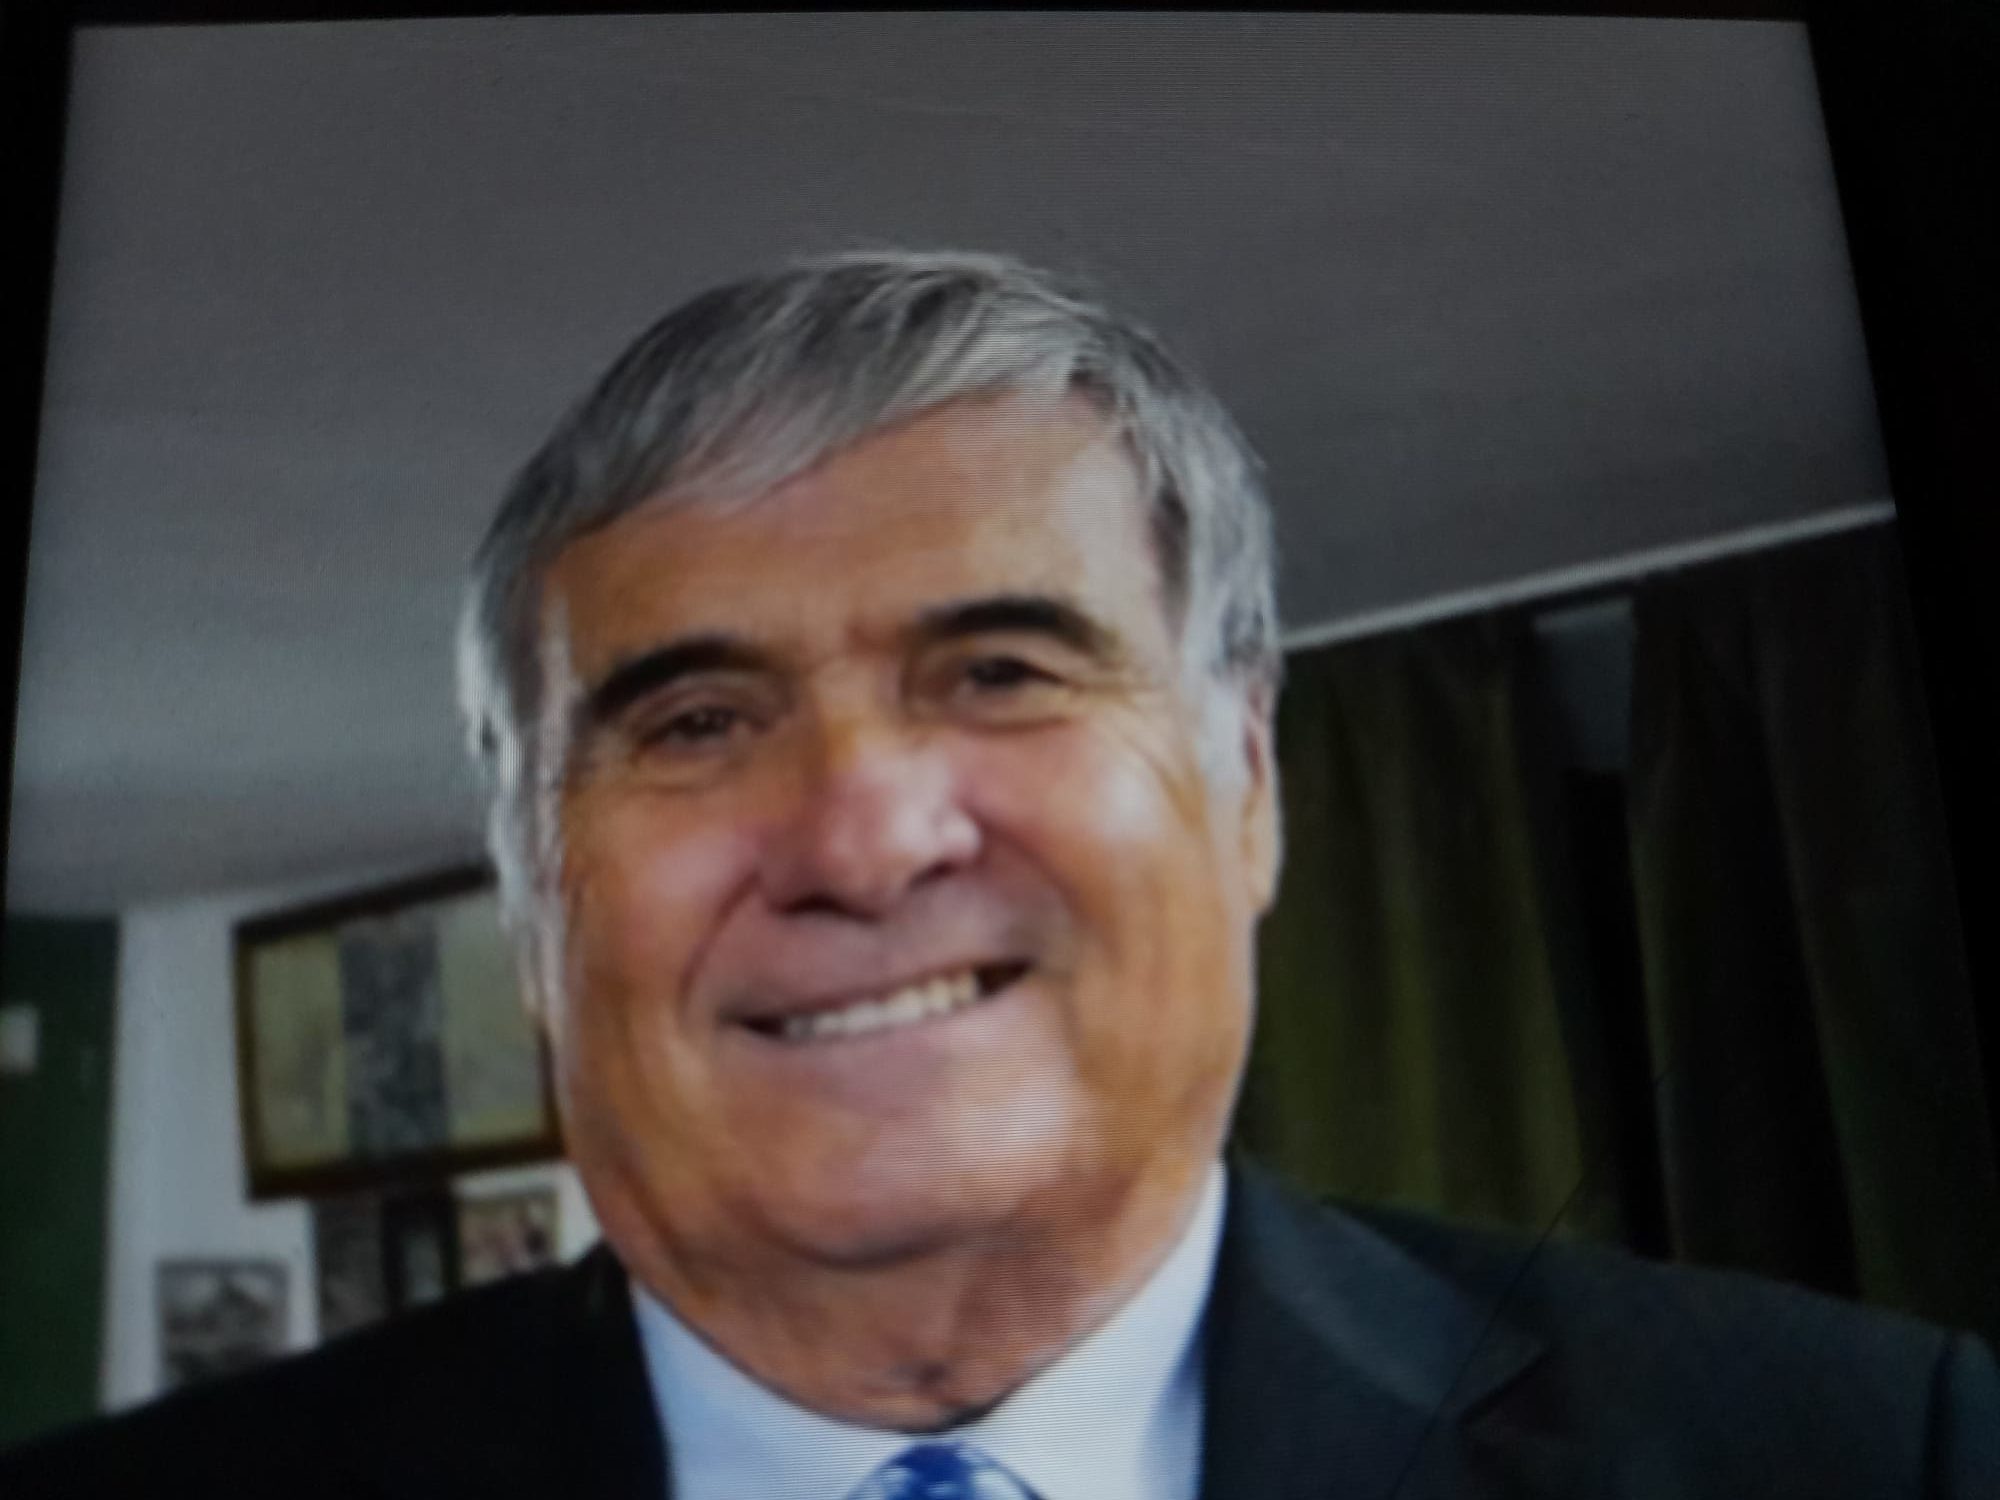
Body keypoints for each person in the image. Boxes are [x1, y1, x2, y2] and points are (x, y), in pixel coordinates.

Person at [6, 249, 1996, 1499]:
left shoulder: (1869, 1456)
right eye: (693, 720)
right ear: (533, 895)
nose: (865, 837)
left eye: (1003, 671)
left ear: (1244, 784)